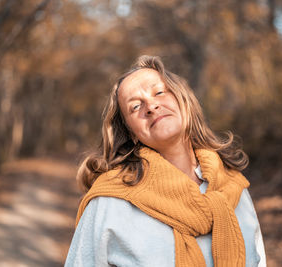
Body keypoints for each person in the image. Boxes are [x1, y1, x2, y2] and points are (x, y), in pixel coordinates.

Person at [65, 55, 266, 267]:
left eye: (159, 92)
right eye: (135, 106)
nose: (151, 106)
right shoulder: (110, 202)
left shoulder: (235, 187)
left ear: (183, 101)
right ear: (131, 133)